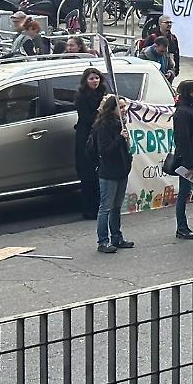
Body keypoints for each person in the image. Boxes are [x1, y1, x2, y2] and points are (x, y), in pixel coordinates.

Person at [90, 94, 133, 254]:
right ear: (112, 109)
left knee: (116, 206)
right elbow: (105, 151)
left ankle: (117, 236)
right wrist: (119, 139)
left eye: (124, 107)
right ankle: (103, 241)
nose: (124, 110)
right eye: (120, 107)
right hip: (108, 171)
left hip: (121, 169)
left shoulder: (119, 124)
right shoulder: (103, 126)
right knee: (106, 207)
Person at [170, 80, 193, 239]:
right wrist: (189, 164)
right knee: (185, 193)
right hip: (186, 162)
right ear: (189, 92)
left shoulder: (189, 108)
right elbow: (183, 139)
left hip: (192, 160)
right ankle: (181, 227)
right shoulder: (183, 112)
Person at [74, 67, 108, 220]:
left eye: (97, 78)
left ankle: (102, 206)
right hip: (86, 138)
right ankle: (89, 209)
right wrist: (100, 110)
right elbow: (88, 119)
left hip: (101, 137)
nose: (95, 81)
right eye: (91, 79)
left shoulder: (104, 94)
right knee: (87, 175)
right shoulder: (81, 97)